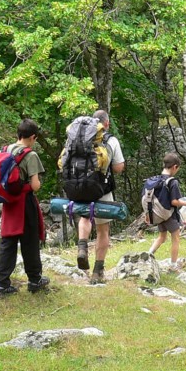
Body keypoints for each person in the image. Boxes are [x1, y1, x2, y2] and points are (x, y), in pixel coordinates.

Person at [0, 118, 50, 295]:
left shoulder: (5, 150)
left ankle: (2, 283)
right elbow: (34, 185)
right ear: (33, 137)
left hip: (8, 203)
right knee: (30, 241)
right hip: (24, 203)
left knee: (8, 241)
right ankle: (35, 280)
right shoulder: (30, 155)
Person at [76, 109, 125, 283]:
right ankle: (98, 271)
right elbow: (119, 167)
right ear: (106, 123)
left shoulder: (79, 137)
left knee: (85, 218)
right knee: (103, 230)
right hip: (102, 189)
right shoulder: (110, 139)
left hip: (81, 187)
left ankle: (82, 247)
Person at [146, 152, 186, 268]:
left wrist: (147, 214)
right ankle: (173, 265)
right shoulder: (172, 182)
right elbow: (174, 202)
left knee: (162, 237)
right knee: (176, 238)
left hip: (158, 214)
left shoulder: (155, 180)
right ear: (175, 167)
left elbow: (149, 199)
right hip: (169, 215)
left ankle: (148, 254)